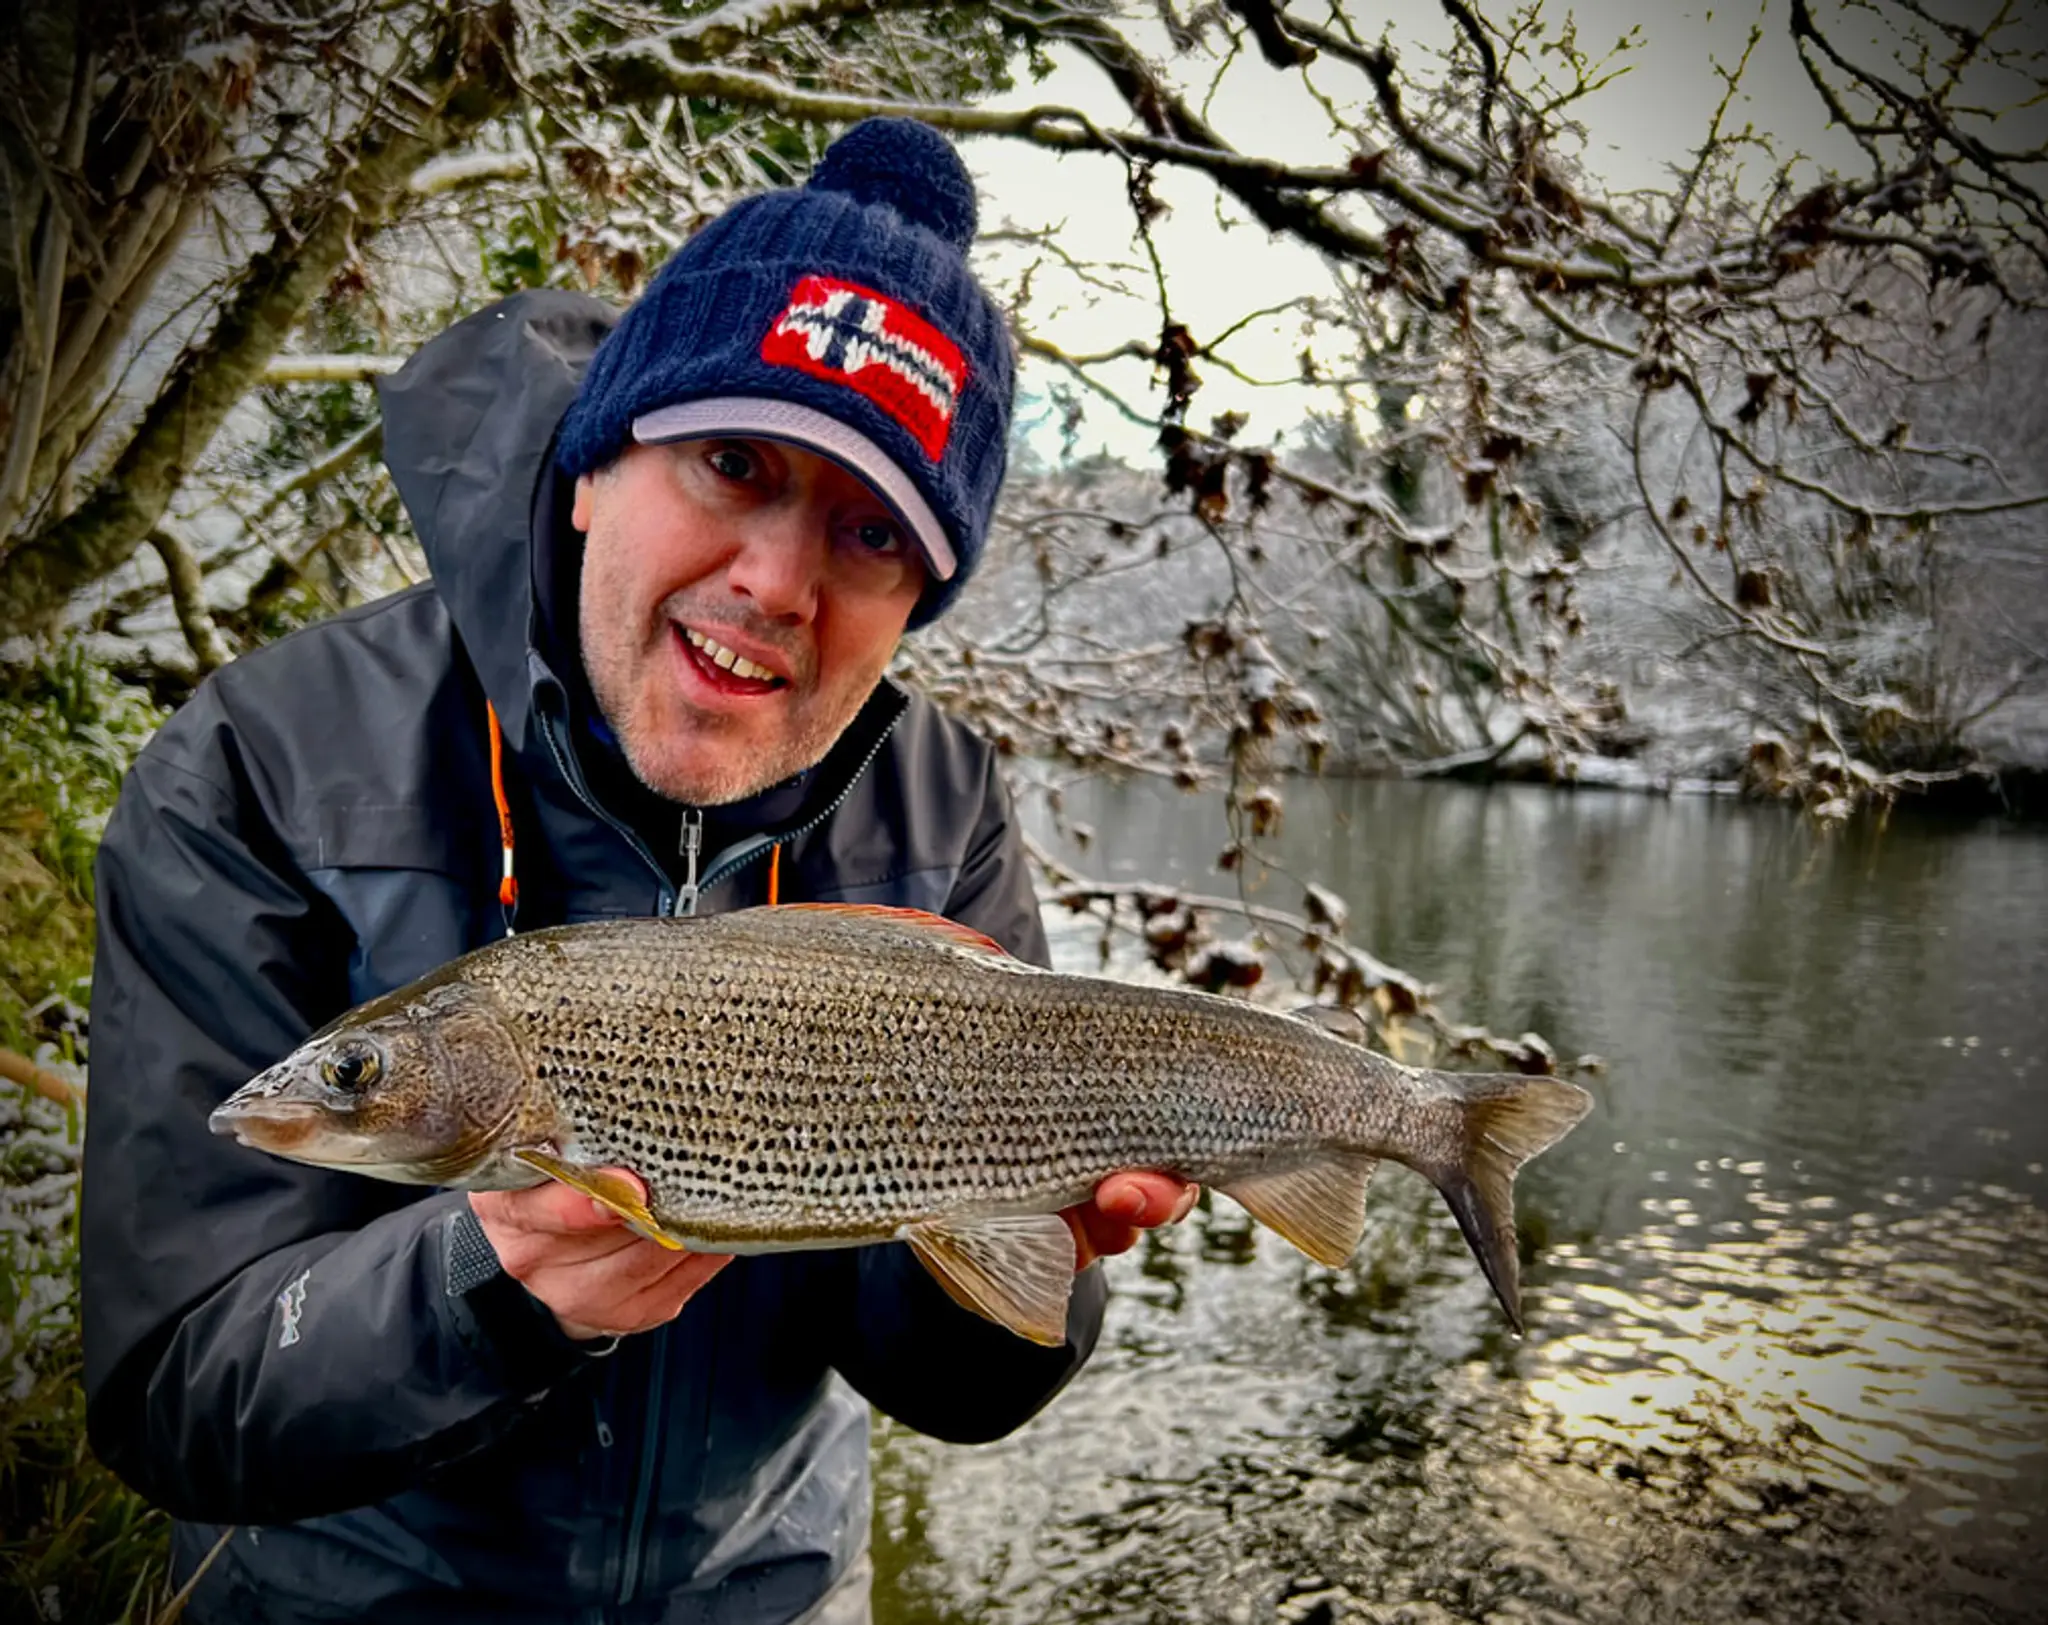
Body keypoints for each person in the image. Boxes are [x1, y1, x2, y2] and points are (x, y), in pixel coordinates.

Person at [80, 117, 1195, 1624]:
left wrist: (1019, 1254)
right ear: (599, 460)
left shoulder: (938, 801)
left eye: (870, 531)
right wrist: (490, 1288)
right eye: (735, 464)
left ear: (917, 600)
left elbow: (958, 1388)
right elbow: (171, 1396)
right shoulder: (256, 766)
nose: (778, 582)